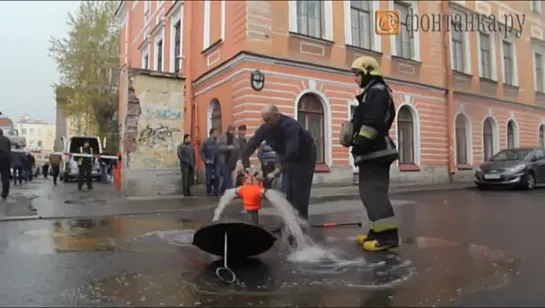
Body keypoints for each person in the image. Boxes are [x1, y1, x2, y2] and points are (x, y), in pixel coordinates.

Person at [343, 56, 399, 252]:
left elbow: (373, 122)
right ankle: (376, 233)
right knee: (370, 195)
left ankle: (388, 238)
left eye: (358, 74)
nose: (355, 79)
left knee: (374, 195)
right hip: (373, 152)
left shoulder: (377, 91)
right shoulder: (374, 91)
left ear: (368, 72)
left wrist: (359, 143)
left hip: (375, 152)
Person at [236, 104, 316, 228]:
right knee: (286, 190)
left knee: (299, 191)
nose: (264, 122)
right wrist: (241, 160)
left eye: (267, 119)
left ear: (276, 116)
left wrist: (276, 171)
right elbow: (252, 143)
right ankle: (288, 222)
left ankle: (301, 224)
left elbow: (292, 153)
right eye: (263, 119)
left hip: (304, 157)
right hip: (286, 155)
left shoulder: (291, 126)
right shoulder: (265, 128)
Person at [216, 125, 237, 195]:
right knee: (227, 177)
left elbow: (236, 146)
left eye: (234, 130)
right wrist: (228, 147)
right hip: (223, 160)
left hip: (231, 160)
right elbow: (218, 147)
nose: (234, 132)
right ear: (229, 130)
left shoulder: (234, 138)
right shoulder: (222, 137)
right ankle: (230, 192)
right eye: (232, 130)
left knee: (227, 176)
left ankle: (221, 191)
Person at [200, 128, 220, 196]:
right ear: (212, 133)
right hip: (209, 163)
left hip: (217, 162)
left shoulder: (218, 142)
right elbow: (201, 152)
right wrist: (205, 160)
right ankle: (208, 190)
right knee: (209, 178)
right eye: (216, 133)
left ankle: (216, 191)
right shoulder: (206, 142)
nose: (217, 134)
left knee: (217, 176)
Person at [0, 129, 11, 200]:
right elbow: (9, 149)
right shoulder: (7, 139)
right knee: (5, 177)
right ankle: (5, 193)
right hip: (5, 158)